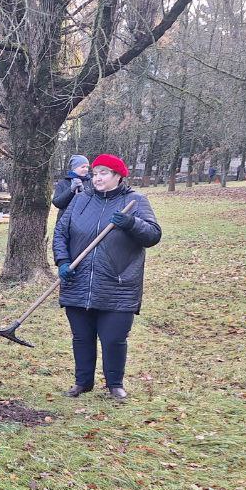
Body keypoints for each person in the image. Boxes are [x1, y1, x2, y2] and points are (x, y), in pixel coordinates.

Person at [53, 154, 161, 402]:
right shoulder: (80, 200)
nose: (97, 178)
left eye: (104, 173)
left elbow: (153, 235)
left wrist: (131, 223)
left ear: (118, 176)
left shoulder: (135, 201)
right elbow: (60, 233)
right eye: (95, 173)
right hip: (78, 281)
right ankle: (82, 382)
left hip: (118, 283)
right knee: (81, 337)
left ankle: (115, 384)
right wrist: (63, 261)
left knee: (113, 339)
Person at [52, 155, 91, 224]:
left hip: (84, 222)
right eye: (83, 167)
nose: (86, 169)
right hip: (64, 223)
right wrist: (71, 190)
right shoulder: (63, 183)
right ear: (74, 168)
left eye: (87, 167)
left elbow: (93, 204)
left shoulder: (91, 182)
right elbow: (57, 203)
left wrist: (83, 191)